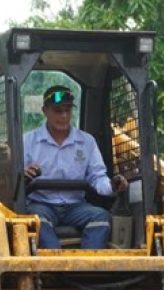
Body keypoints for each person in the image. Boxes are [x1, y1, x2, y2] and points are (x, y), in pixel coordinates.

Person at [23, 85, 128, 249]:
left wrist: (112, 185)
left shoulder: (86, 142)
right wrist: (25, 175)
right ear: (45, 111)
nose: (64, 116)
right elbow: (16, 180)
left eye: (67, 110)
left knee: (101, 216)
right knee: (35, 220)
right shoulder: (28, 141)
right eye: (58, 110)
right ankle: (54, 266)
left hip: (75, 206)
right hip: (41, 204)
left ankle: (87, 266)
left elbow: (97, 177)